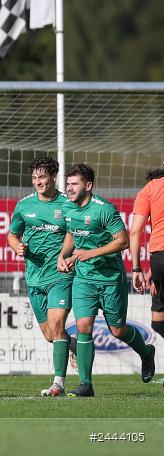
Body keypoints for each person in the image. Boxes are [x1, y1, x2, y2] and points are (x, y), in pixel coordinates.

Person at [59, 163, 155, 397]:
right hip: (84, 279)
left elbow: (122, 241)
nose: (69, 188)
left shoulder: (104, 209)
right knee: (83, 327)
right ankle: (86, 384)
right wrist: (62, 256)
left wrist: (89, 253)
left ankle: (146, 353)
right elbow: (72, 231)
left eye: (75, 184)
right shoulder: (67, 208)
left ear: (88, 186)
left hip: (110, 278)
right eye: (68, 184)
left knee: (117, 330)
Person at [6, 156, 77, 397]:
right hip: (34, 278)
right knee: (50, 335)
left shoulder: (67, 204)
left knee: (57, 325)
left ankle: (58, 383)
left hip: (60, 274)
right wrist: (16, 246)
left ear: (54, 176)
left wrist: (64, 254)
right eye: (35, 177)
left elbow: (75, 232)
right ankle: (73, 343)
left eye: (42, 177)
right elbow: (12, 234)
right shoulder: (24, 205)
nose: (38, 181)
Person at [129, 167, 164, 347]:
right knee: (158, 322)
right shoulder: (151, 190)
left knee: (159, 322)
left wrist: (137, 269)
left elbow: (135, 231)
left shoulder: (149, 190)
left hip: (160, 258)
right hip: (159, 259)